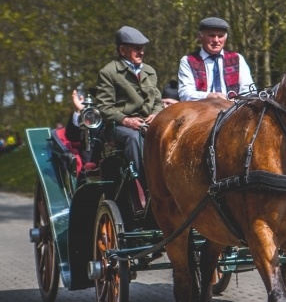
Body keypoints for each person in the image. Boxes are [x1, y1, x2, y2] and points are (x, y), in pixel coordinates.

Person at [95, 26, 163, 185]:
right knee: (134, 138)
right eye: (136, 48)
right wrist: (125, 120)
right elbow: (104, 107)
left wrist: (156, 114)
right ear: (122, 50)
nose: (141, 52)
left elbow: (157, 101)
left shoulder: (150, 71)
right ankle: (146, 184)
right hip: (119, 127)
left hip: (148, 122)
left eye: (142, 48)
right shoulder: (109, 72)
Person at [177, 17, 254, 101]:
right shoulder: (188, 61)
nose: (216, 40)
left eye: (220, 36)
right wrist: (208, 96)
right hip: (201, 107)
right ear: (200, 37)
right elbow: (185, 94)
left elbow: (249, 90)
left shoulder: (237, 59)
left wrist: (234, 102)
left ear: (225, 38)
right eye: (211, 35)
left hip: (233, 107)